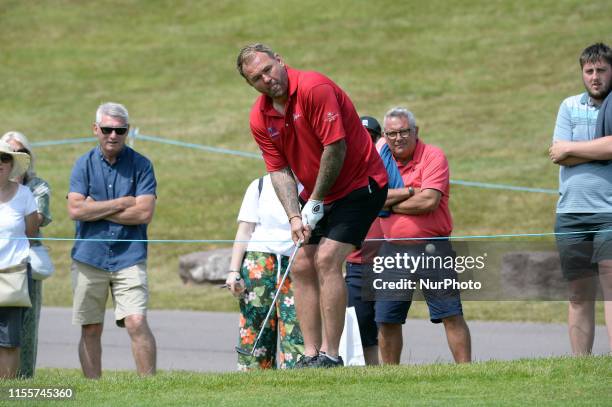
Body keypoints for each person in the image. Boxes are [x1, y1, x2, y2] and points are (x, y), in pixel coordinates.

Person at [236, 43, 388, 367]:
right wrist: (294, 215)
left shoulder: (314, 88)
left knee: (327, 258)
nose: (266, 79)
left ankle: (331, 356)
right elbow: (277, 170)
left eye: (268, 69)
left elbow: (336, 148)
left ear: (280, 61)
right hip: (320, 191)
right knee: (302, 262)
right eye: (256, 78)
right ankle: (309, 354)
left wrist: (316, 201)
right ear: (251, 85)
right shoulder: (259, 117)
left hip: (362, 183)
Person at [67, 102, 157, 378]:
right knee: (90, 326)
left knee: (136, 320)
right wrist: (121, 203)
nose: (113, 135)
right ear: (96, 129)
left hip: (129, 256)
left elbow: (143, 213)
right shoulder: (83, 164)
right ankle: (94, 388)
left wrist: (97, 209)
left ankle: (149, 388)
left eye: (120, 130)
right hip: (89, 257)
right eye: (107, 129)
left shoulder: (142, 165)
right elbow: (75, 210)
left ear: (127, 131)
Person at [376, 106, 471, 364]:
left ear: (416, 131)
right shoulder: (380, 160)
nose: (398, 138)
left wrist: (388, 203)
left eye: (404, 132)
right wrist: (409, 191)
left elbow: (428, 201)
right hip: (392, 250)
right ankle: (390, 378)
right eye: (392, 133)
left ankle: (466, 371)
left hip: (433, 248)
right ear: (385, 135)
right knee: (387, 318)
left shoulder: (433, 156)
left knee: (450, 314)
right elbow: (372, 199)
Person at [549, 42, 612, 355]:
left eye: (601, 70)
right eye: (589, 71)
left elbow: (570, 150)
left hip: (609, 213)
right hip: (571, 213)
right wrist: (600, 150)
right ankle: (581, 365)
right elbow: (558, 154)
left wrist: (575, 149)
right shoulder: (570, 105)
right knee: (577, 293)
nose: (595, 76)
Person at [225, 174, 304, 370]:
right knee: (254, 326)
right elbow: (245, 231)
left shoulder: (309, 185)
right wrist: (233, 271)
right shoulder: (258, 185)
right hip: (259, 263)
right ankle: (251, 379)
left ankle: (297, 381)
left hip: (296, 259)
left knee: (297, 329)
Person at [1, 131, 54, 378]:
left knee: (22, 330)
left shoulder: (34, 188)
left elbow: (35, 225)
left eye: (19, 152)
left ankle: (20, 383)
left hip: (20, 268)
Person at [344, 116, 384, 365]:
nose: (366, 140)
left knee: (388, 322)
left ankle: (391, 373)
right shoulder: (346, 169)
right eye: (362, 135)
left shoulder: (387, 165)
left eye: (371, 136)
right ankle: (372, 375)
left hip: (389, 261)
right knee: (361, 329)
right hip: (357, 262)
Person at [0, 140, 37, 378]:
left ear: (12, 164)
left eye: (4, 158)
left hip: (13, 274)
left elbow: (31, 232)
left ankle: (6, 389)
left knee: (9, 339)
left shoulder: (24, 194)